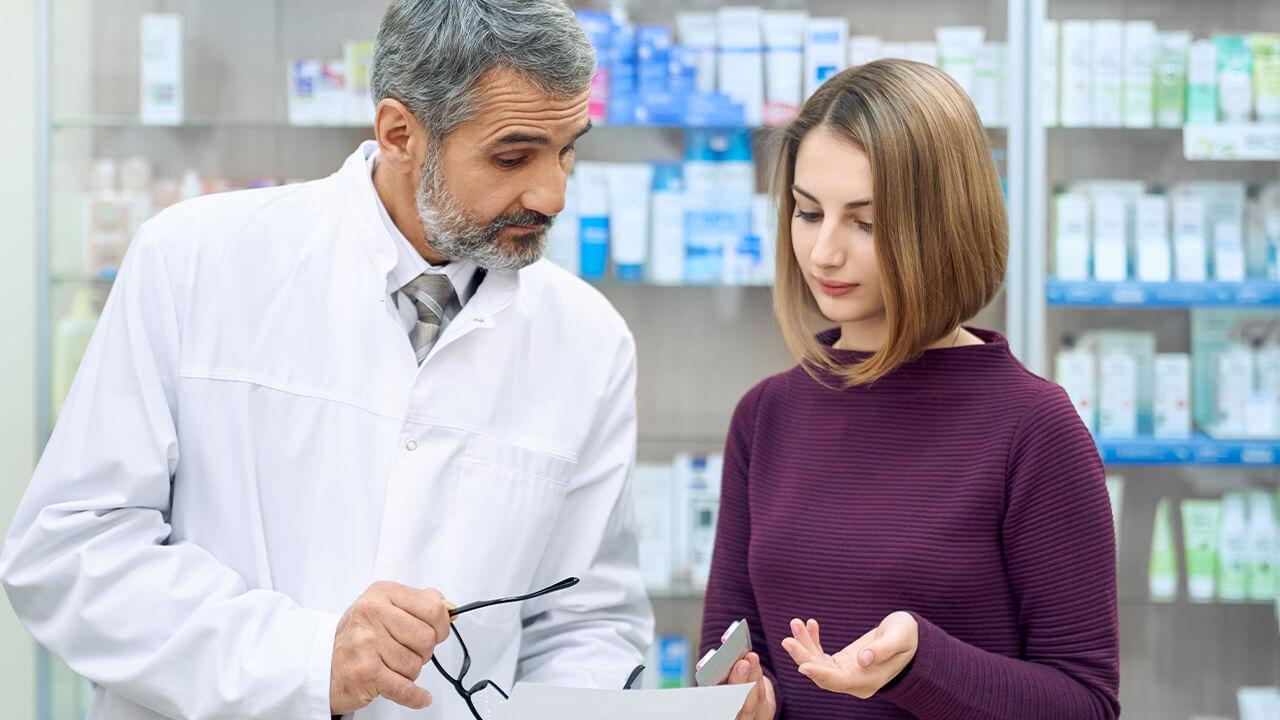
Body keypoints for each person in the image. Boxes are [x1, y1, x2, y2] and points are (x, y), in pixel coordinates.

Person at [0, 1, 653, 718]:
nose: (553, 192)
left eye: (568, 149)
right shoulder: (197, 260)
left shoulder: (588, 339)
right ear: (400, 133)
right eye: (513, 156)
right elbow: (71, 553)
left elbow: (590, 623)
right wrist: (307, 660)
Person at [701, 60, 1120, 720]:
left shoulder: (1034, 427)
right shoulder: (766, 417)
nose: (824, 254)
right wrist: (750, 706)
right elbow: (731, 663)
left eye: (865, 223)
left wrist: (921, 665)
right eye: (808, 213)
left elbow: (1086, 703)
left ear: (945, 224)